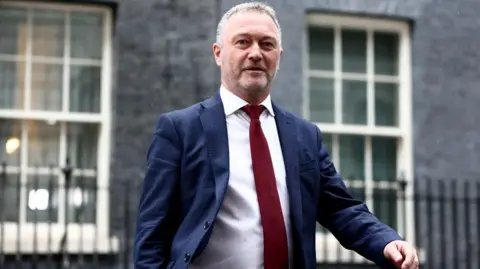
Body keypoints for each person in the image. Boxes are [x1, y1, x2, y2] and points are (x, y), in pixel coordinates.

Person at [133, 2, 419, 269]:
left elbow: (341, 209)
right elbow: (152, 235)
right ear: (218, 53)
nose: (256, 53)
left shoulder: (304, 136)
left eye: (267, 44)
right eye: (243, 42)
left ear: (278, 57)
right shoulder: (179, 129)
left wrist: (387, 241)